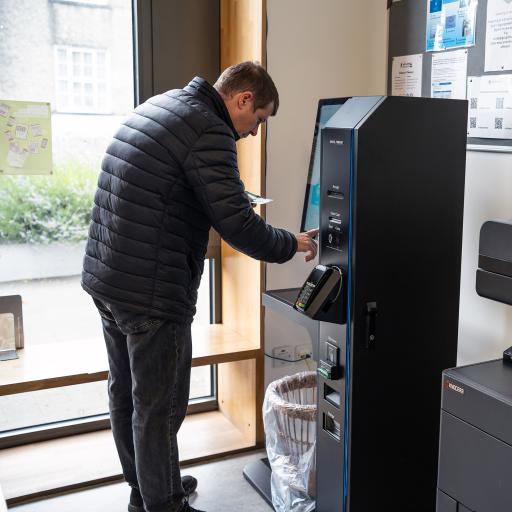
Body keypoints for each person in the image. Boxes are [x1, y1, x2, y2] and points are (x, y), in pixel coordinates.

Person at [81, 61, 317, 512]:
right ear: (243, 98)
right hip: (150, 291)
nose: (253, 132)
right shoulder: (210, 129)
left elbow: (166, 184)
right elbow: (240, 228)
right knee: (161, 405)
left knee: (128, 395)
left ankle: (147, 491)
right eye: (259, 119)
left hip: (109, 276)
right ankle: (165, 504)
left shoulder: (167, 105)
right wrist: (292, 243)